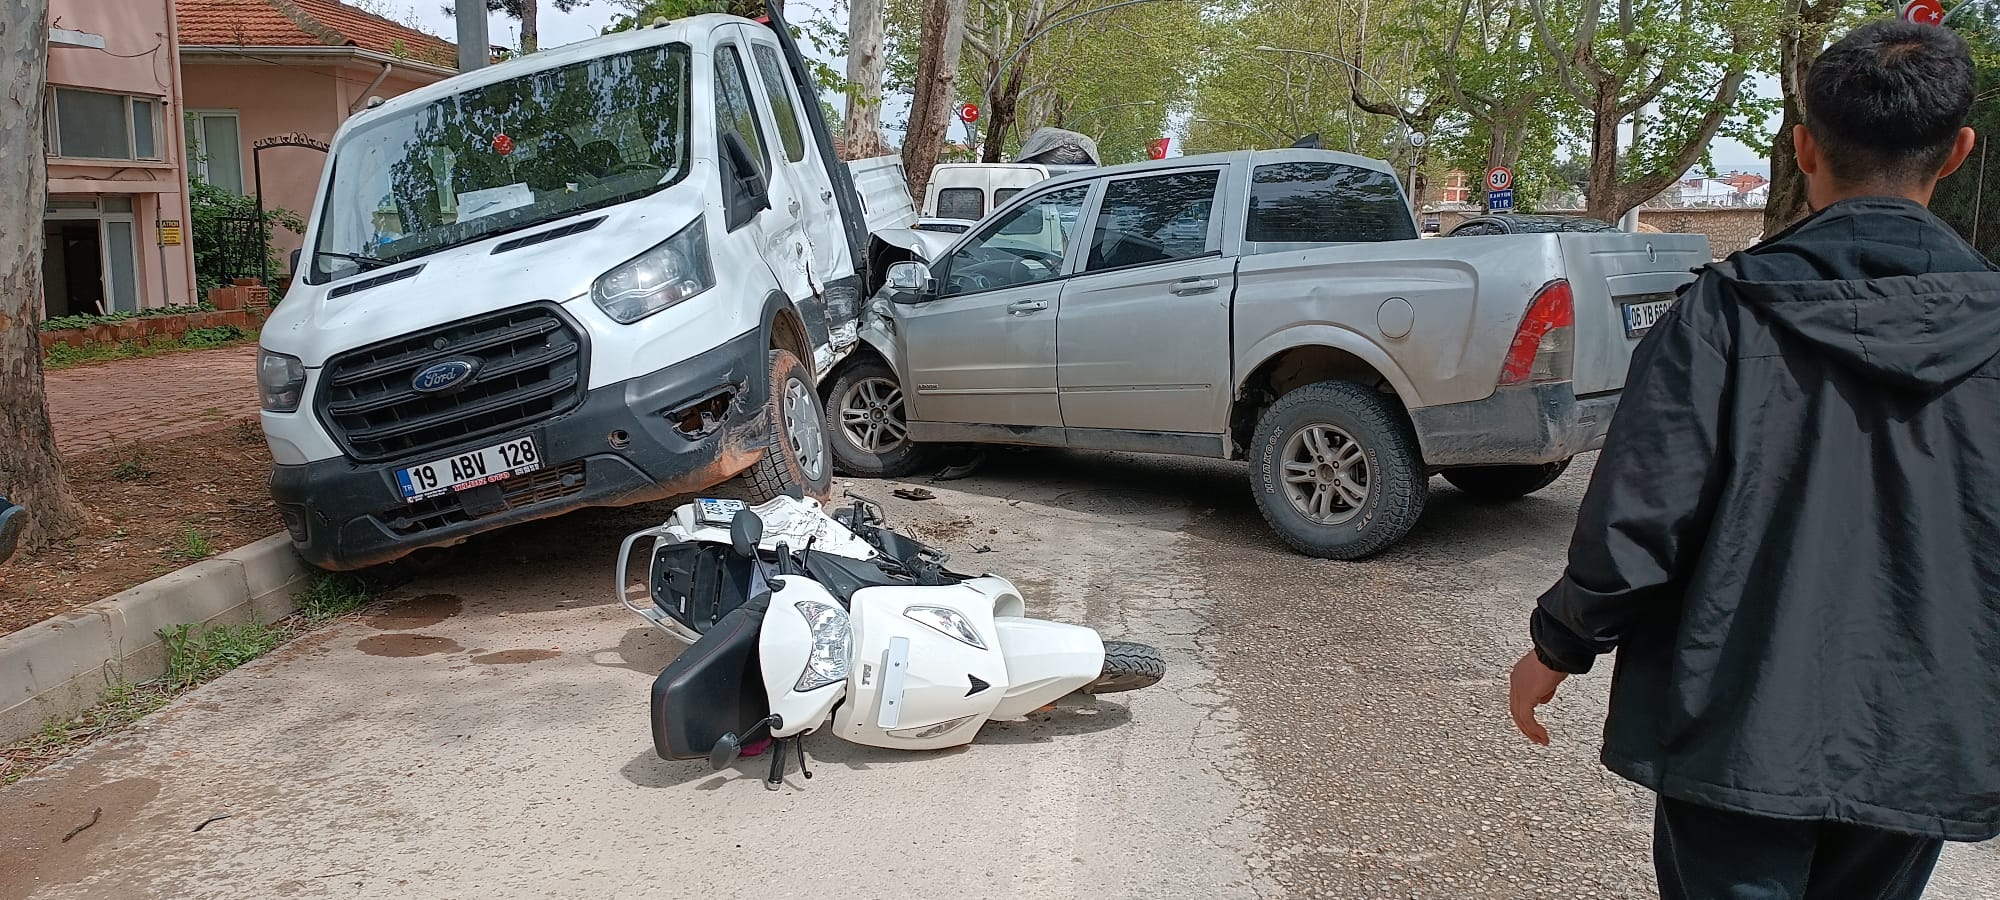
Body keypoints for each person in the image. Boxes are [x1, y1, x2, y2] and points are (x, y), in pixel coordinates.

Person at [1507, 20, 2000, 900]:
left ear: (1803, 147)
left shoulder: (1721, 318)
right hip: (1922, 725)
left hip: (1737, 719)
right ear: (1959, 151)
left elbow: (1639, 518)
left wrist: (1558, 644)